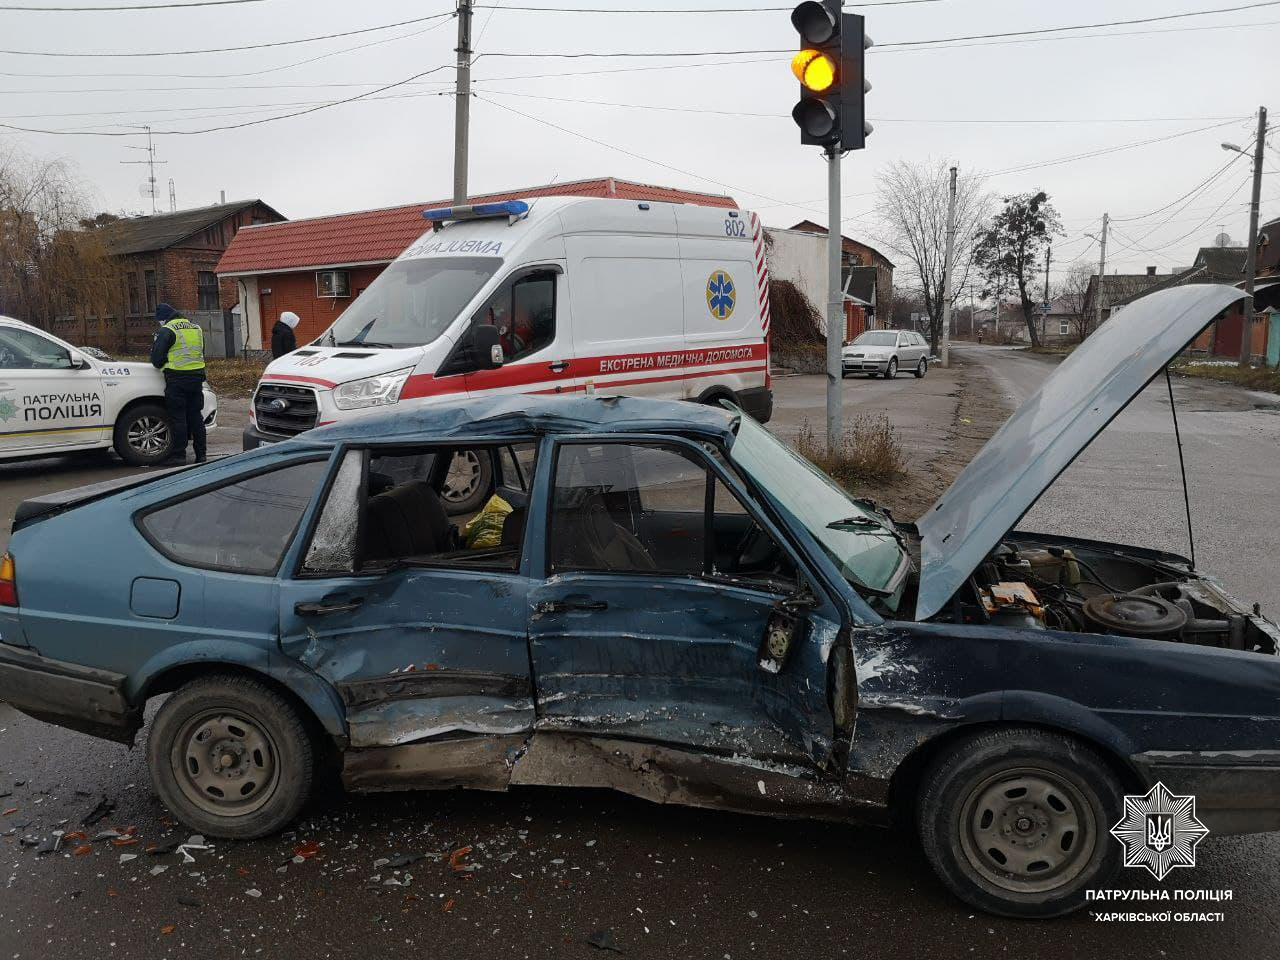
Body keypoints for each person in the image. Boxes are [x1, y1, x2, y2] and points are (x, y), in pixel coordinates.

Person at [150, 303, 207, 465]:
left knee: (178, 418)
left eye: (159, 320)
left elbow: (156, 359)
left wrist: (164, 366)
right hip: (196, 379)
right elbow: (201, 352)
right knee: (196, 417)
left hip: (177, 379)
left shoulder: (168, 330)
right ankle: (201, 454)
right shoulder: (196, 328)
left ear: (164, 318)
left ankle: (179, 455)